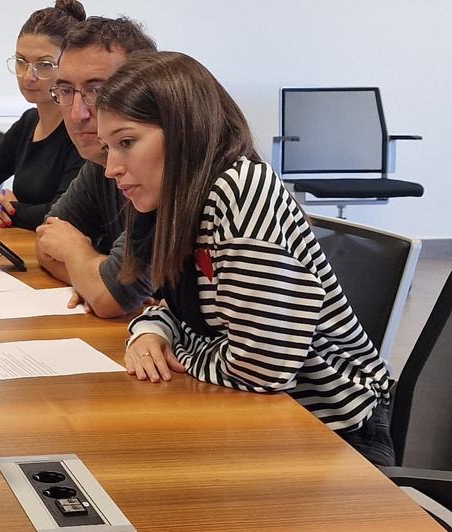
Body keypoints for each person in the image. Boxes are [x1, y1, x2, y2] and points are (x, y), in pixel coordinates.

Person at [102, 51, 394, 466]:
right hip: (265, 414)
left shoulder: (240, 194)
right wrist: (152, 332)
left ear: (185, 130)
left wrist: (179, 353)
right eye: (108, 147)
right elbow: (178, 307)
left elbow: (262, 368)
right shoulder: (182, 200)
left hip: (336, 433)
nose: (111, 167)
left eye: (126, 142)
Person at [33, 16, 156, 318]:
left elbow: (108, 297)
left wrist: (81, 262)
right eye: (65, 91)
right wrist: (89, 276)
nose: (77, 113)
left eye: (97, 90)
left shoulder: (162, 173)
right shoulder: (101, 162)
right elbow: (46, 242)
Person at [0, 0, 85, 230]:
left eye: (44, 65)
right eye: (21, 62)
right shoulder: (29, 122)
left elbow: (60, 212)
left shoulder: (80, 130)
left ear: (69, 65)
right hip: (25, 242)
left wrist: (6, 209)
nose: (28, 76)